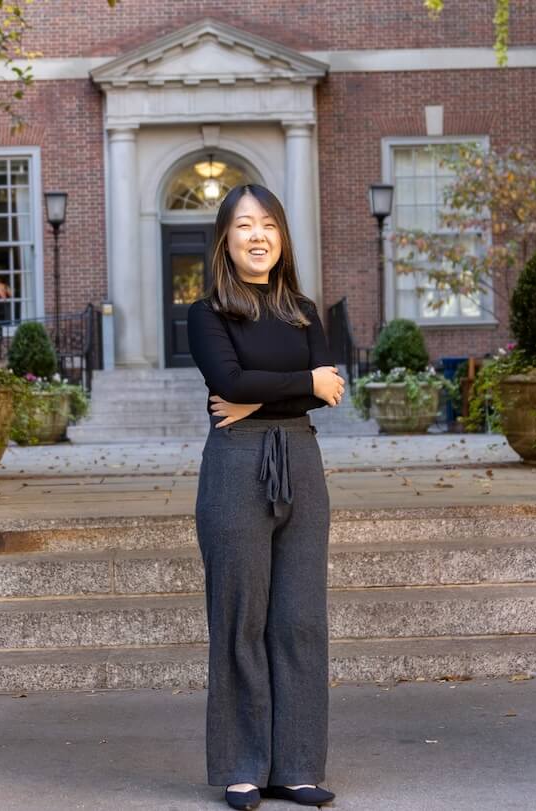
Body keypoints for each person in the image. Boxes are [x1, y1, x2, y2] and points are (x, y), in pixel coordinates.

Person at [188, 183, 344, 810]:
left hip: (300, 460)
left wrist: (266, 392)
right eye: (244, 225)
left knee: (300, 619)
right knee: (241, 618)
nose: (258, 235)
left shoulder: (305, 310)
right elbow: (226, 379)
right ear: (225, 239)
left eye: (269, 225)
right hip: (235, 465)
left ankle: (297, 766)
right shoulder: (208, 314)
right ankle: (242, 764)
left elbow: (328, 390)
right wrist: (299, 382)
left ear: (282, 236)